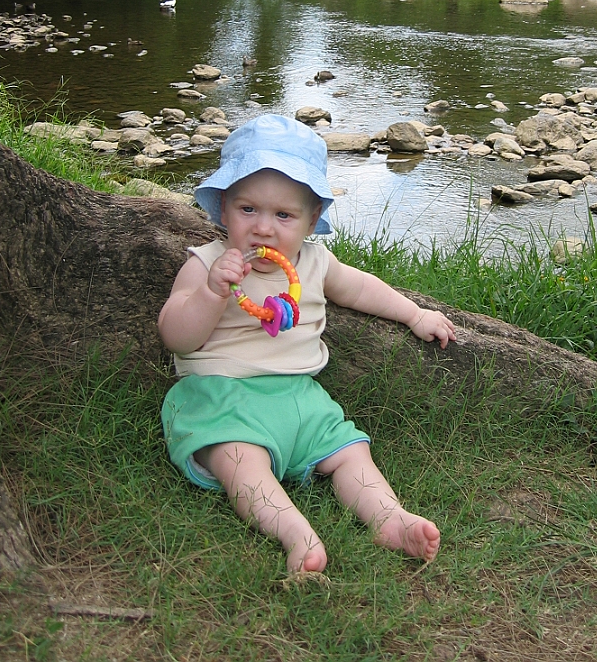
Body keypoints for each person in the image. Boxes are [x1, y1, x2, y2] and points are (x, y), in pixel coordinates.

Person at [159, 114, 456, 574]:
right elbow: (176, 336)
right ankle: (295, 533)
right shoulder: (208, 264)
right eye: (248, 209)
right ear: (224, 207)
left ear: (311, 219)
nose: (264, 228)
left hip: (300, 398)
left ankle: (388, 517)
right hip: (223, 398)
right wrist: (211, 294)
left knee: (351, 452)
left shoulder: (315, 262)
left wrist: (415, 315)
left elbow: (362, 289)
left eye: (283, 215)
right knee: (240, 462)